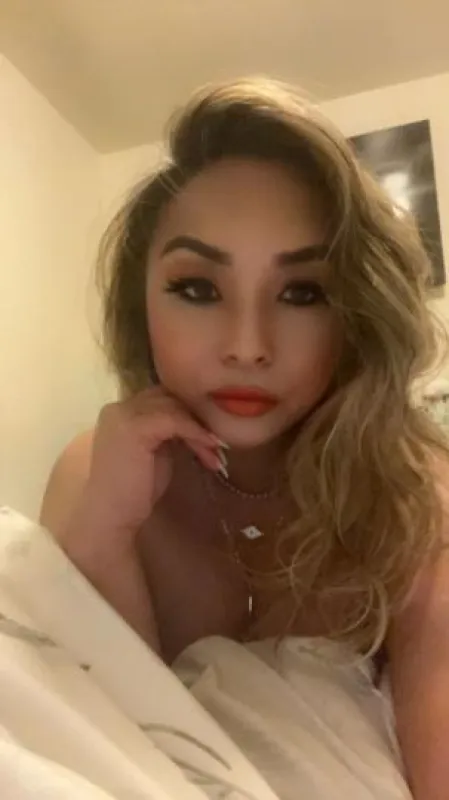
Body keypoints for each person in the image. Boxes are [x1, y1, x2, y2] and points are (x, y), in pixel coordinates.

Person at [40, 78, 449, 799]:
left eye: (302, 292)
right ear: (140, 305)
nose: (248, 346)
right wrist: (103, 538)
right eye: (198, 288)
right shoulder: (94, 473)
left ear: (355, 313)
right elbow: (97, 750)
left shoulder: (415, 493)